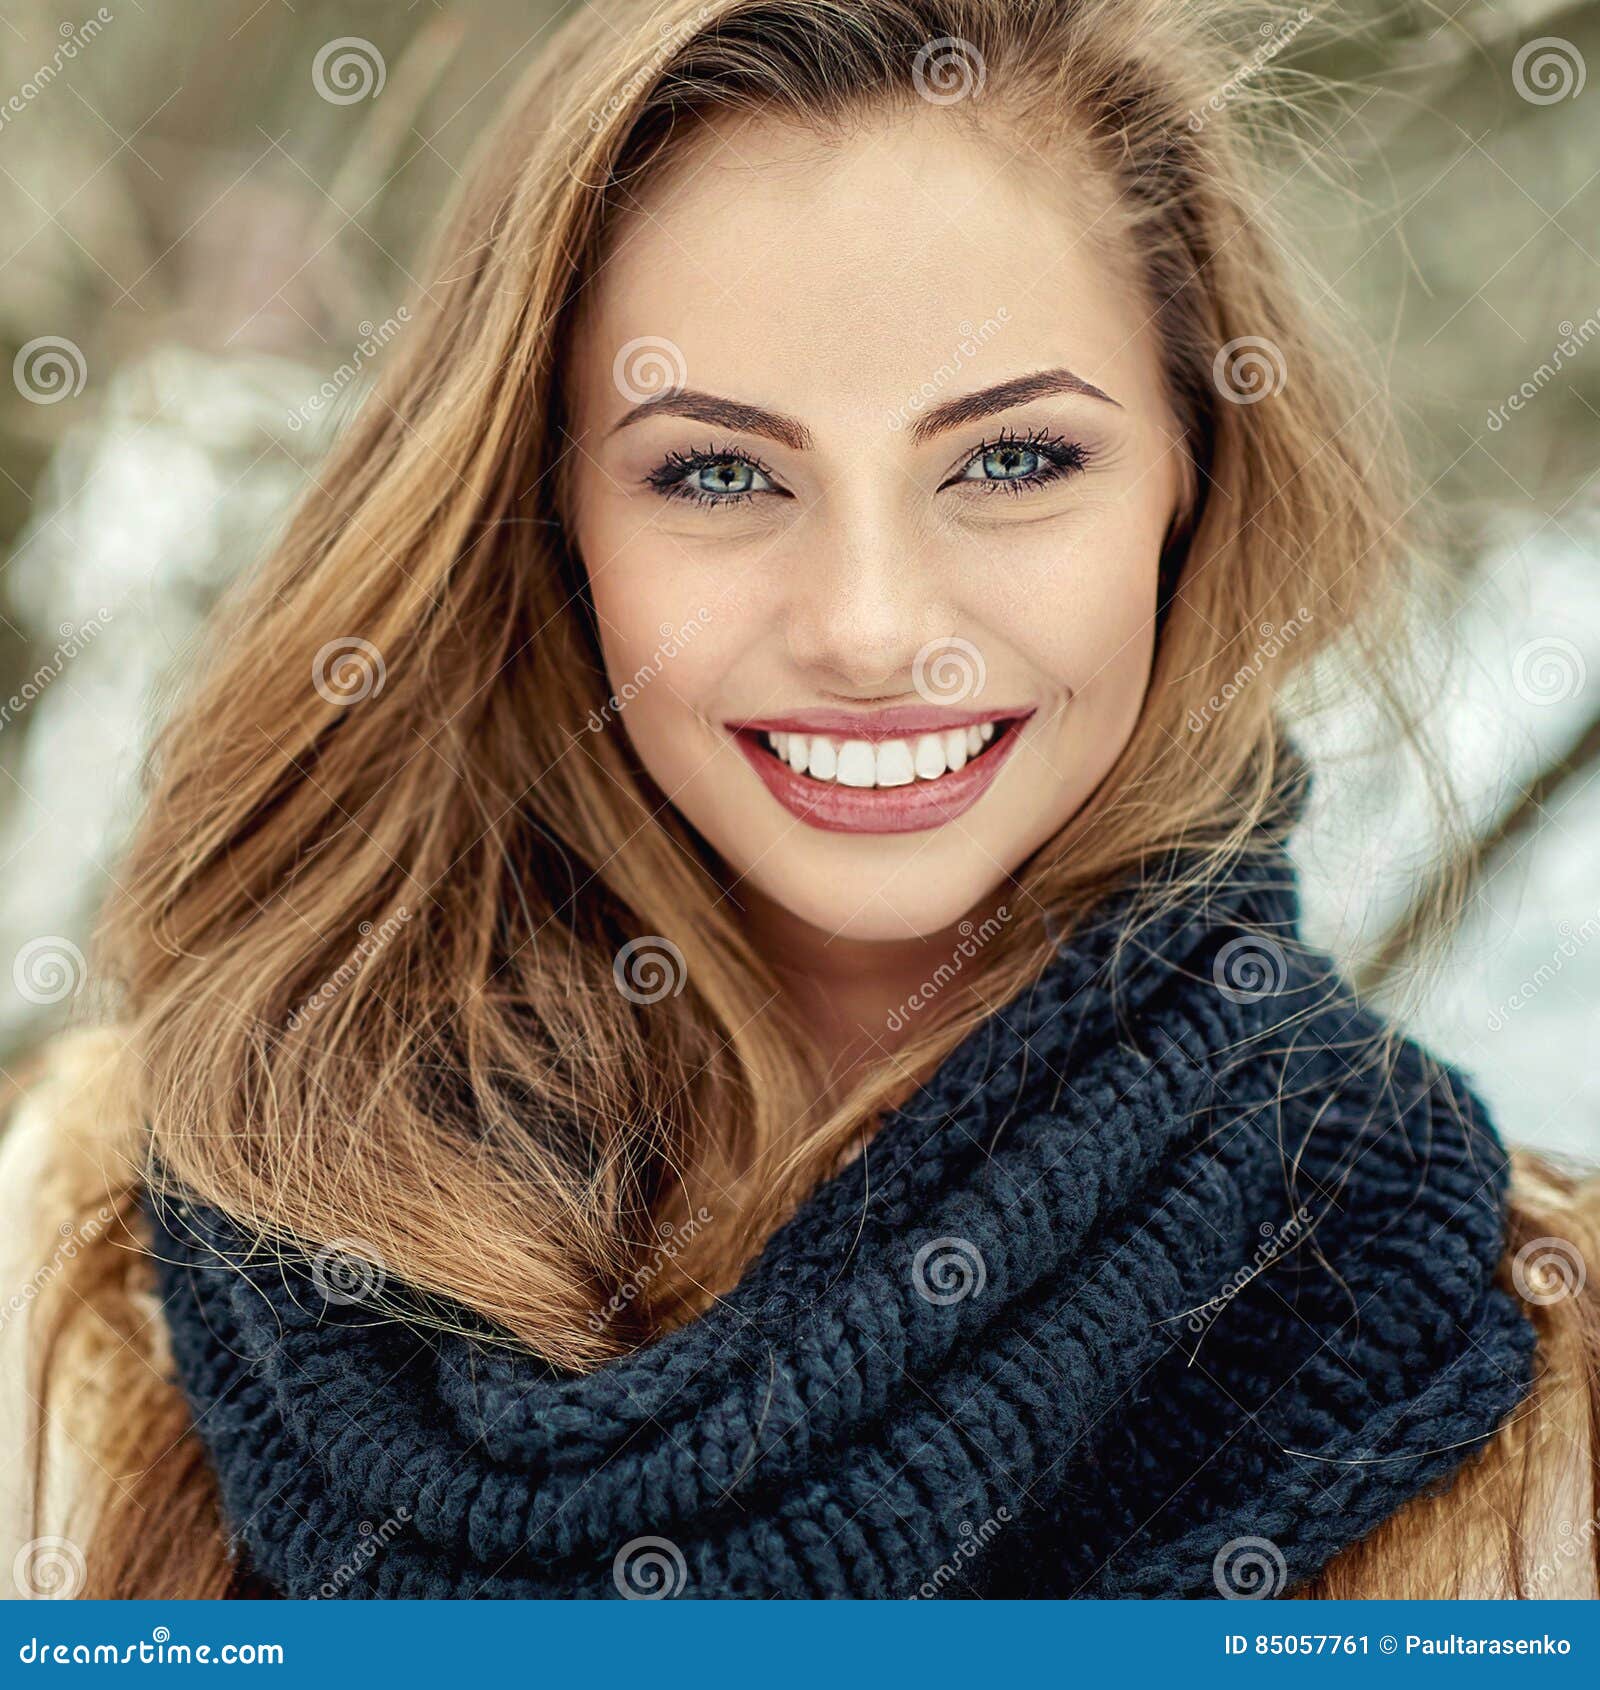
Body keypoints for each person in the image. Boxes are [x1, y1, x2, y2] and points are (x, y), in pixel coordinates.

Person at [2, 0, 1595, 1600]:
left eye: (1016, 460)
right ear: (545, 515)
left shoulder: (1536, 1358)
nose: (869, 628)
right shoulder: (90, 1248)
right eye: (715, 473)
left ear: (1194, 474)